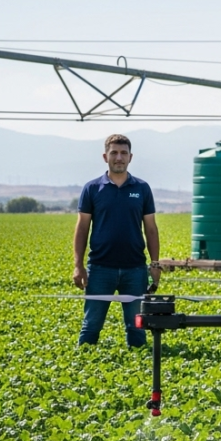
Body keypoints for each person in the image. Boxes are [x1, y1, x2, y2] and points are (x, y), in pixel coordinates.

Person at [73, 134, 161, 347]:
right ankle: (83, 362)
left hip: (135, 269)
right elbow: (82, 228)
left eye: (123, 153)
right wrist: (78, 266)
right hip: (100, 269)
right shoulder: (92, 188)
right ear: (105, 157)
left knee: (137, 328)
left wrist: (155, 263)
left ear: (131, 157)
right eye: (114, 153)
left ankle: (139, 365)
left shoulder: (142, 188)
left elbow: (151, 229)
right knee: (91, 325)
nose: (119, 157)